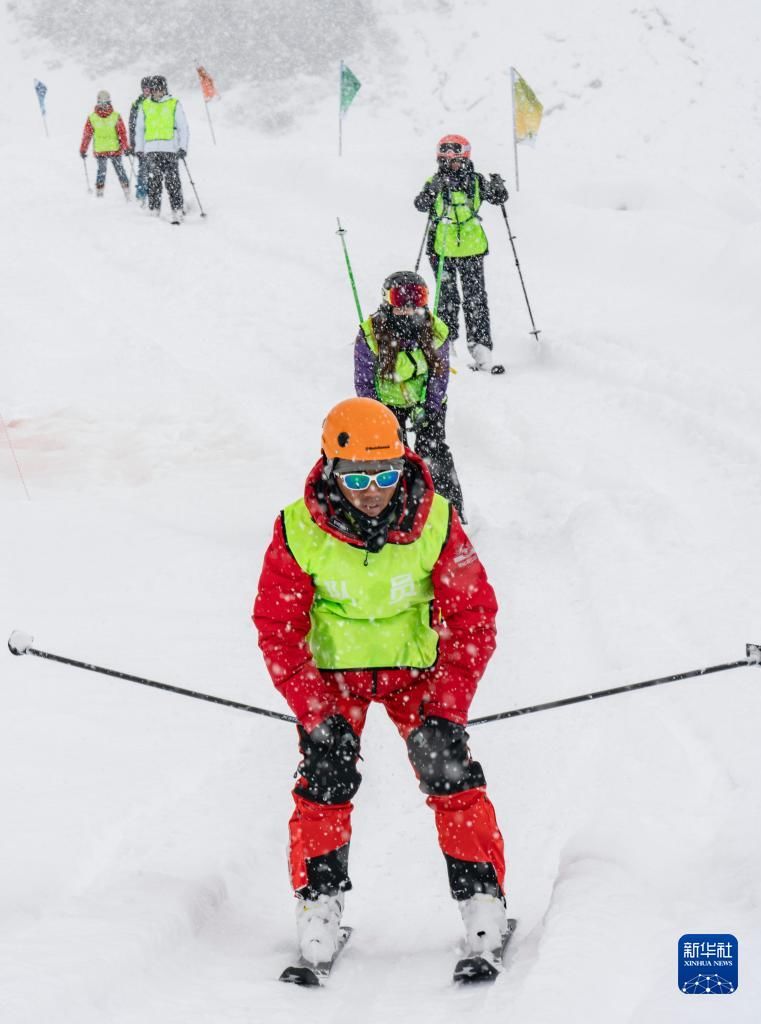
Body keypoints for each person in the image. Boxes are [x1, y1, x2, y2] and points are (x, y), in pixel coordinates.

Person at [252, 397, 506, 967]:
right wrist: (317, 712)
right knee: (326, 771)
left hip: (414, 672)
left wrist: (446, 707)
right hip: (334, 677)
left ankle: (483, 901)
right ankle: (319, 903)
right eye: (358, 476)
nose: (373, 489)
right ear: (330, 468)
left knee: (449, 768)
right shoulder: (297, 528)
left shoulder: (436, 520)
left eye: (386, 473)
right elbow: (277, 627)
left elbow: (474, 616)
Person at [354, 270, 466, 521]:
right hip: (387, 404)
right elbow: (364, 381)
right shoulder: (371, 334)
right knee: (393, 456)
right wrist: (379, 414)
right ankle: (399, 513)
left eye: (417, 298)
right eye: (400, 300)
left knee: (433, 451)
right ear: (387, 302)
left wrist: (429, 406)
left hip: (426, 400)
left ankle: (450, 511)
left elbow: (440, 375)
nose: (408, 307)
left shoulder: (435, 330)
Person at [414, 134, 508, 374]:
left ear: (465, 159)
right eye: (445, 161)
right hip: (441, 249)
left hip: (471, 248)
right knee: (446, 298)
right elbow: (420, 204)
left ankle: (481, 350)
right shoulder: (434, 181)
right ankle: (448, 346)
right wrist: (431, 191)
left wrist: (499, 188)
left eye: (456, 160)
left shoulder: (476, 181)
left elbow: (498, 198)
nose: (451, 165)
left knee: (476, 298)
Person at [134, 75, 189, 224]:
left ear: (165, 89)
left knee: (173, 182)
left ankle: (177, 210)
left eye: (160, 89)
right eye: (155, 89)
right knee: (154, 181)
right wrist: (139, 148)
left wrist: (183, 147)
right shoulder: (144, 105)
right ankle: (154, 209)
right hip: (151, 149)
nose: (158, 92)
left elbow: (183, 127)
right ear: (151, 90)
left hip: (170, 149)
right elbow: (139, 129)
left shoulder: (173, 103)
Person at [79, 90, 130, 199]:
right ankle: (101, 194)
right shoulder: (93, 117)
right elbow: (87, 135)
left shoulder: (114, 116)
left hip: (111, 149)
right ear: (98, 103)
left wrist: (126, 147)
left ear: (109, 103)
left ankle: (126, 193)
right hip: (105, 150)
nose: (103, 106)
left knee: (113, 171)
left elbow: (122, 133)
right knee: (112, 171)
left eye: (105, 103)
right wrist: (83, 149)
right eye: (101, 103)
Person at [126, 77, 151, 205]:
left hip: (154, 140)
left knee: (154, 168)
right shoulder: (136, 104)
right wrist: (132, 143)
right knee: (142, 168)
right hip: (141, 141)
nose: (147, 90)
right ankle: (141, 193)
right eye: (145, 88)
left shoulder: (157, 102)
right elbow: (131, 125)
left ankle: (153, 193)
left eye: (149, 88)